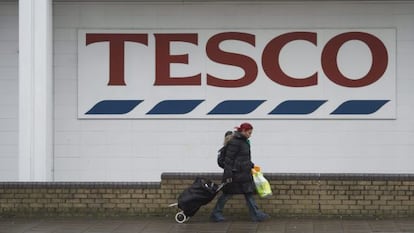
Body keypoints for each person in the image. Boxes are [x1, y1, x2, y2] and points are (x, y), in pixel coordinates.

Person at [211, 122, 269, 222]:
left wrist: (252, 165)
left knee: (248, 193)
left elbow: (243, 158)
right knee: (227, 194)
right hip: (234, 175)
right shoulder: (235, 142)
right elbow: (229, 160)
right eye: (249, 133)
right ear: (243, 131)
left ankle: (256, 214)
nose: (250, 135)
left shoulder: (244, 141)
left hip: (243, 174)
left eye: (251, 133)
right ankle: (216, 213)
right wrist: (228, 175)